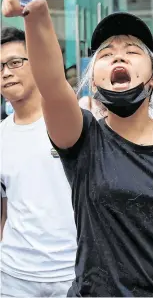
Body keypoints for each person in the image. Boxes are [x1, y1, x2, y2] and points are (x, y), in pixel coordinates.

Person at [2, 0, 153, 298]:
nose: (118, 54)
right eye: (105, 54)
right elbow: (51, 83)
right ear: (94, 81)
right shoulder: (83, 140)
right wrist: (35, 14)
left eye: (132, 50)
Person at [0, 26, 77, 297]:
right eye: (0, 67)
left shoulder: (72, 122)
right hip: (13, 276)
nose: (6, 72)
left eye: (14, 62)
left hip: (72, 272)